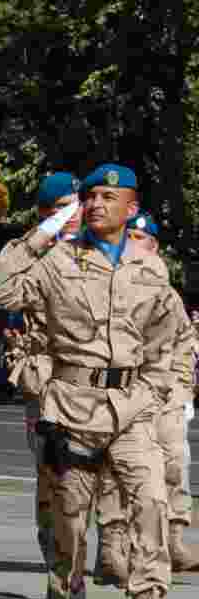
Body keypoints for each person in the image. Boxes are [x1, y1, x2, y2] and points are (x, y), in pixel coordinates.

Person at [0, 163, 185, 599]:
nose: (96, 204)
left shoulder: (149, 266)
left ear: (131, 208)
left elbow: (169, 334)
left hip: (130, 407)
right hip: (71, 406)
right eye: (90, 197)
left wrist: (159, 387)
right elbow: (4, 292)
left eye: (107, 197)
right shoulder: (57, 262)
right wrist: (42, 233)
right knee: (69, 524)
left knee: (151, 502)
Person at [0, 171, 82, 599]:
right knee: (55, 482)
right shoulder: (29, 258)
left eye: (78, 204)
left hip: (99, 386)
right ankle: (59, 572)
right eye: (64, 206)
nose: (75, 214)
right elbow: (3, 293)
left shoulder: (96, 251)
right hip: (48, 383)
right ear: (47, 213)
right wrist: (40, 237)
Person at [125, 212, 199, 572]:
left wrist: (182, 386)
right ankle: (121, 546)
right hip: (128, 393)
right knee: (127, 473)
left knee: (175, 463)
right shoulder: (114, 283)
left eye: (142, 240)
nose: (135, 246)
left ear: (154, 246)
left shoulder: (167, 292)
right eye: (130, 239)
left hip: (166, 394)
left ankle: (174, 541)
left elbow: (185, 341)